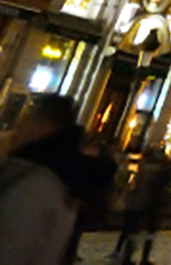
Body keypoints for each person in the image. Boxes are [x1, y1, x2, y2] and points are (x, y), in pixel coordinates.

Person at [0, 94, 113, 265]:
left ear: (43, 126)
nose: (18, 127)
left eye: (25, 120)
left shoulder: (40, 182)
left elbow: (12, 245)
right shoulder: (59, 174)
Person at [113, 133, 171, 265]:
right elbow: (169, 177)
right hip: (152, 203)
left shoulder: (143, 168)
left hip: (137, 203)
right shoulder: (162, 170)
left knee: (133, 231)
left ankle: (126, 256)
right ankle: (143, 258)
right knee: (149, 232)